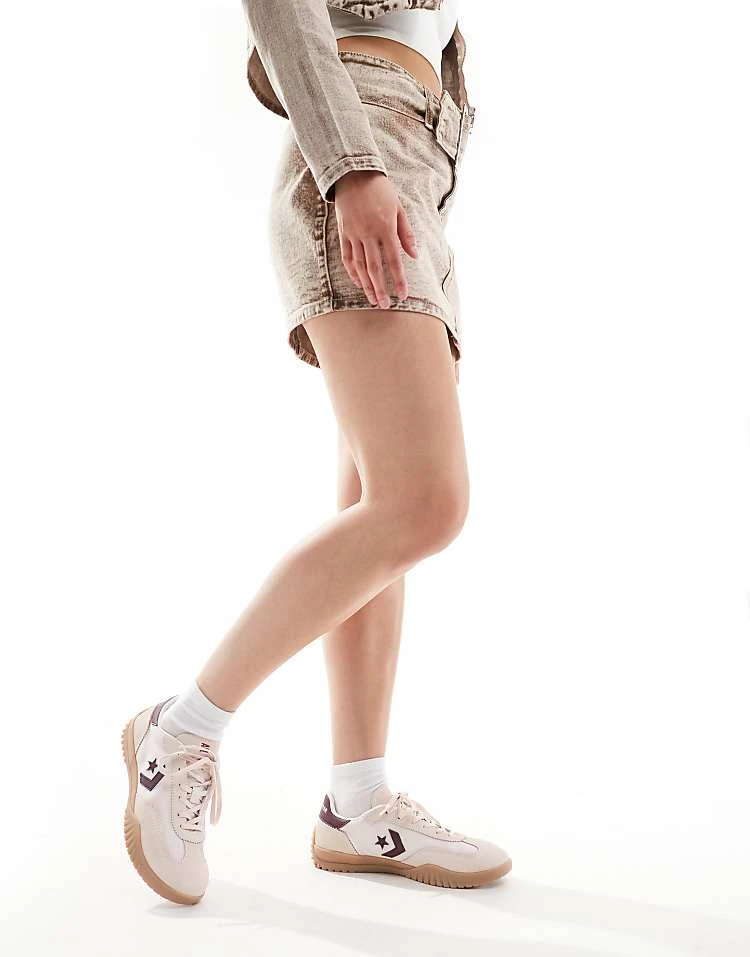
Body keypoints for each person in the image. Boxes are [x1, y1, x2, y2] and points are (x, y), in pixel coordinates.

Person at [121, 0, 511, 905]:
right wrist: (350, 169)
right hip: (365, 147)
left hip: (417, 164)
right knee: (424, 503)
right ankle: (180, 729)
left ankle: (356, 801)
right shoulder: (356, 158)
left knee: (380, 511)